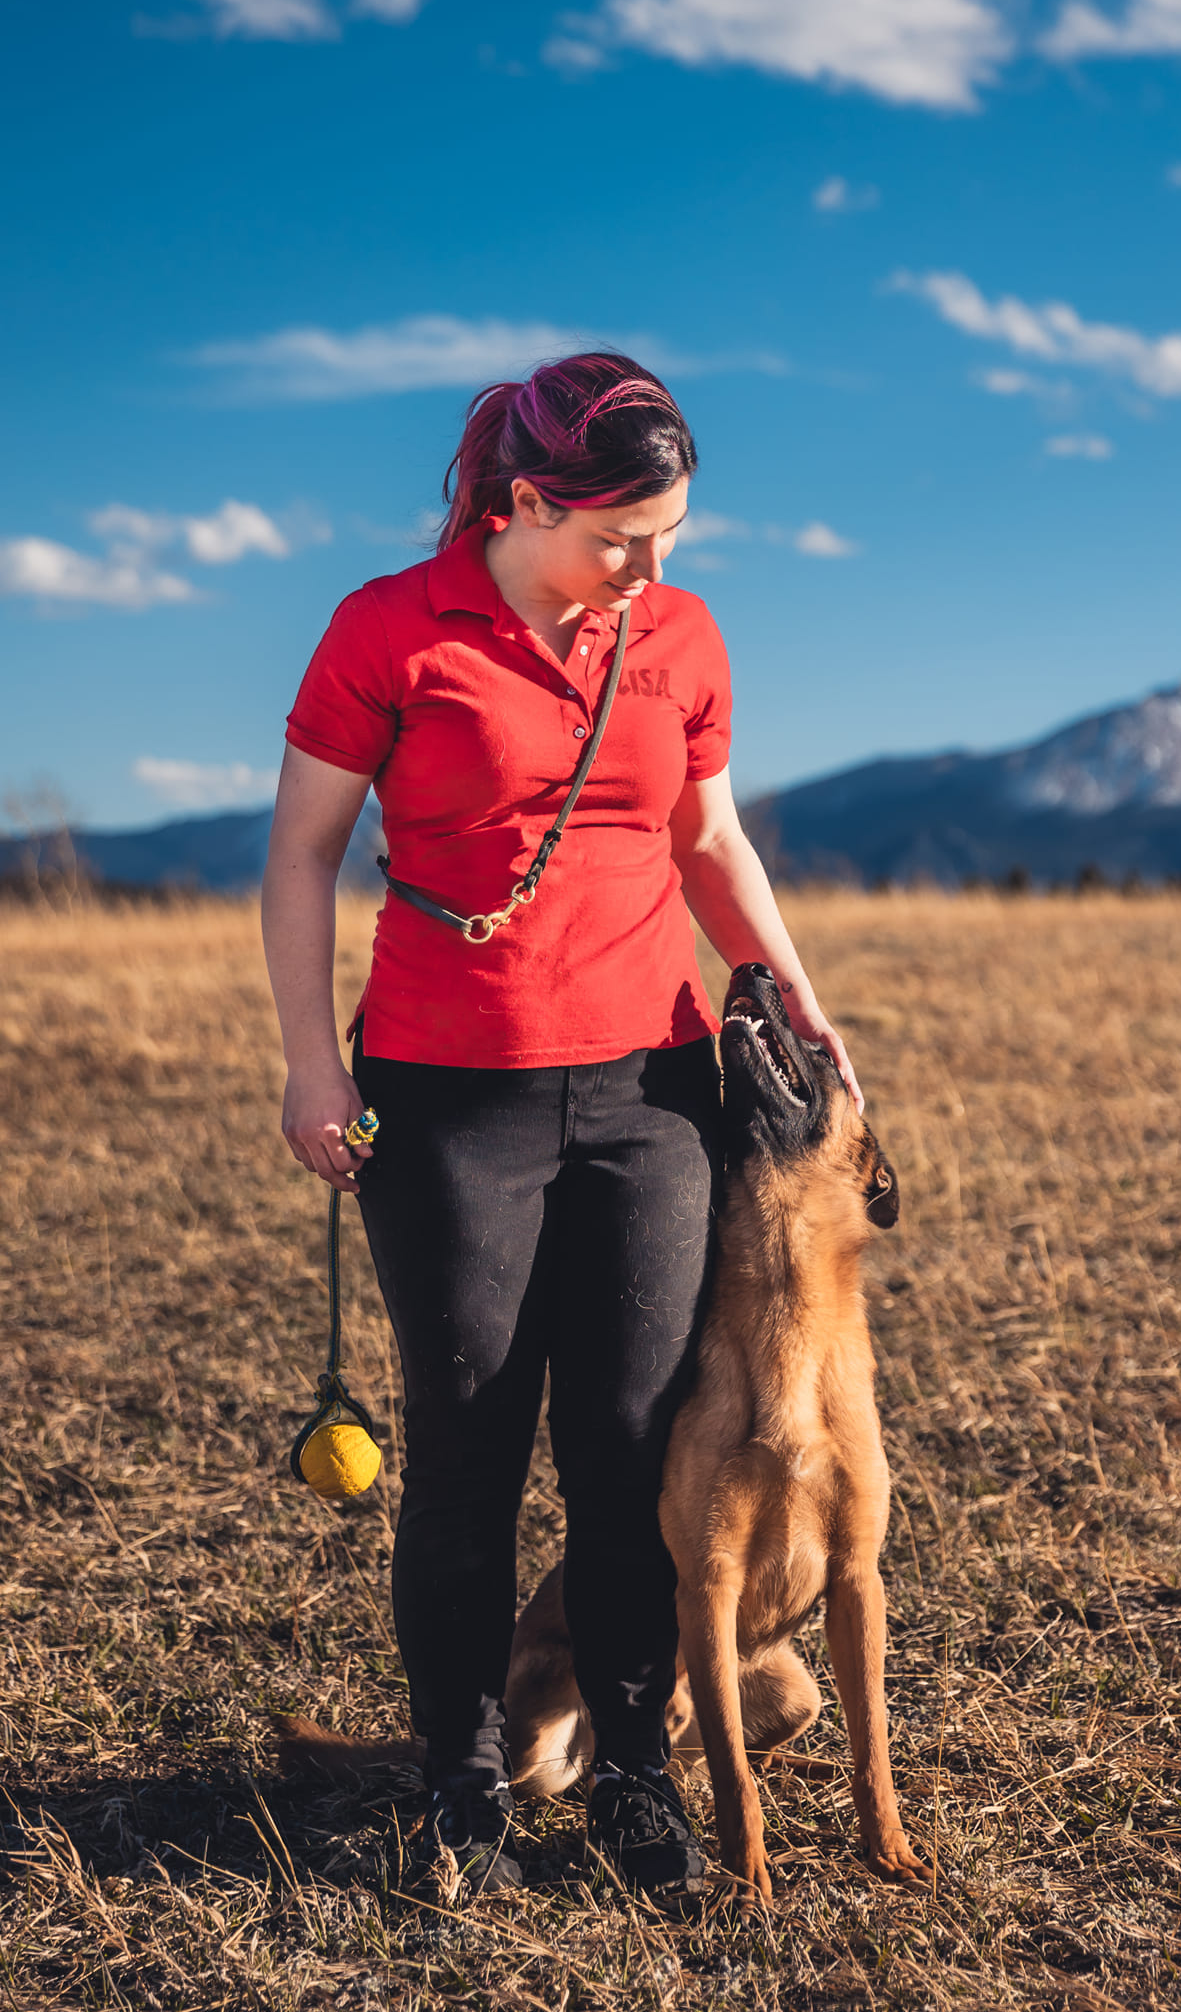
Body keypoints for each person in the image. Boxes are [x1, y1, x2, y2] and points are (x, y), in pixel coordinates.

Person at [261, 354, 859, 1900]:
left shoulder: (680, 637)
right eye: (620, 539)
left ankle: (640, 1776)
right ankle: (462, 1783)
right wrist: (310, 1065)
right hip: (448, 1094)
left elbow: (708, 837)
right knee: (467, 1449)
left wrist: (796, 999)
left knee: (631, 1453)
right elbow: (303, 859)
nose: (651, 571)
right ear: (526, 504)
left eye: (671, 537)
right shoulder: (390, 631)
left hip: (657, 1090)